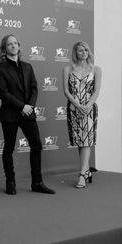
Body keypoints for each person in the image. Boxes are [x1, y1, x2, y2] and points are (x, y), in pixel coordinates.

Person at [0, 34, 55, 195]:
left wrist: (30, 107)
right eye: (9, 44)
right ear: (4, 49)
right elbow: (3, 93)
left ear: (19, 46)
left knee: (37, 145)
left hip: (28, 112)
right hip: (10, 113)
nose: (13, 46)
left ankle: (37, 182)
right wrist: (22, 106)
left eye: (15, 43)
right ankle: (10, 182)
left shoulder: (28, 67)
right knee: (9, 148)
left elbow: (34, 88)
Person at [62, 41, 101, 188]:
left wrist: (87, 106)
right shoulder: (67, 69)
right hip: (73, 108)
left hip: (89, 109)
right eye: (80, 50)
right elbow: (66, 91)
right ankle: (86, 171)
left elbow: (96, 91)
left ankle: (82, 175)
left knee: (86, 141)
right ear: (75, 53)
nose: (83, 52)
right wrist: (78, 105)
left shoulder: (96, 69)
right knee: (80, 141)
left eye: (85, 50)